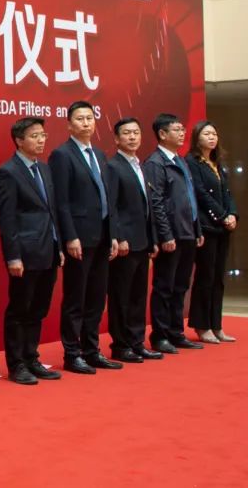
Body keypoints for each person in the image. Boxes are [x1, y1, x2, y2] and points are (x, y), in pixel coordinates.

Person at [49, 101, 121, 374]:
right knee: (75, 298)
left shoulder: (100, 155)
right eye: (80, 119)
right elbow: (61, 201)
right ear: (69, 125)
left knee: (96, 298)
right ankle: (72, 353)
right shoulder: (62, 155)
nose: (86, 123)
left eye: (90, 118)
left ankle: (92, 350)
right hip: (79, 238)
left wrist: (113, 235)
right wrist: (70, 237)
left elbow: (107, 198)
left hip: (102, 235)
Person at [0, 117, 64, 385]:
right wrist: (13, 256)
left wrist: (58, 246)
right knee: (20, 310)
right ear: (19, 140)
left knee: (39, 309)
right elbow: (7, 219)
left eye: (43, 135)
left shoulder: (44, 169)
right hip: (25, 252)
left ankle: (32, 357)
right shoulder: (8, 172)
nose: (41, 140)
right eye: (35, 136)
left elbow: (51, 211)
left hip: (48, 249)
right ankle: (17, 364)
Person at [143, 113, 204, 354]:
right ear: (162, 134)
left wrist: (197, 228)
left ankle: (176, 332)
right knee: (164, 286)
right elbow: (156, 202)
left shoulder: (180, 161)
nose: (182, 134)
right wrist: (165, 235)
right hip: (172, 234)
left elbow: (190, 199)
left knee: (180, 286)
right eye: (177, 130)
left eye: (182, 129)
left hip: (188, 232)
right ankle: (160, 335)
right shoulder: (155, 163)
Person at [104, 118, 162, 363]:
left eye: (136, 132)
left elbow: (148, 207)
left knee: (138, 295)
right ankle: (121, 345)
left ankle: (137, 342)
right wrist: (119, 237)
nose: (132, 137)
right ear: (117, 139)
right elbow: (112, 206)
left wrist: (153, 239)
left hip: (143, 241)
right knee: (121, 296)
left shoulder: (141, 165)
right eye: (126, 133)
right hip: (125, 243)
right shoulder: (113, 166)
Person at [186, 121, 239, 343]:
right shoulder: (192, 162)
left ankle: (216, 325)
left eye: (214, 134)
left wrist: (233, 214)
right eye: (207, 133)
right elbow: (200, 194)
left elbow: (227, 193)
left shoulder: (217, 163)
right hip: (207, 226)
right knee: (205, 276)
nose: (212, 137)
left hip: (222, 228)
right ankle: (202, 325)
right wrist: (221, 215)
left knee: (218, 278)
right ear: (197, 137)